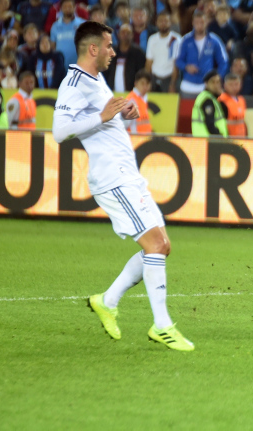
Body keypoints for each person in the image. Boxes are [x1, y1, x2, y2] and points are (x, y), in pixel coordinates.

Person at [53, 21, 193, 351]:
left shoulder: (95, 79)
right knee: (155, 244)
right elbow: (59, 131)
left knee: (162, 246)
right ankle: (162, 326)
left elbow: (102, 116)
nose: (113, 52)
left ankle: (107, 301)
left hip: (127, 175)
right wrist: (103, 116)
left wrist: (120, 113)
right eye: (109, 46)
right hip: (112, 178)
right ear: (93, 49)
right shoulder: (73, 82)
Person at [175, 10, 229, 99]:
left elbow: (223, 61)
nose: (199, 25)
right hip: (188, 85)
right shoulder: (185, 40)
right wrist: (186, 67)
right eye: (197, 22)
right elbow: (178, 60)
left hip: (207, 86)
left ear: (206, 22)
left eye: (202, 22)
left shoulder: (214, 40)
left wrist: (217, 78)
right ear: (193, 23)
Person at [145, 12, 181, 93]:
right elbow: (149, 62)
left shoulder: (175, 39)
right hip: (154, 77)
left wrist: (173, 83)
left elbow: (176, 64)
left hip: (169, 77)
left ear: (170, 23)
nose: (163, 23)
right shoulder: (152, 39)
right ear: (156, 23)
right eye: (161, 21)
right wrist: (147, 82)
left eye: (166, 21)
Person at [191, 69, 228, 137]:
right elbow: (210, 124)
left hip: (206, 140)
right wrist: (219, 137)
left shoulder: (213, 99)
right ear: (206, 84)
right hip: (209, 140)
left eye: (218, 82)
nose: (216, 85)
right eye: (213, 82)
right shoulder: (207, 100)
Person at [124, 70, 152, 134]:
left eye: (147, 84)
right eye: (142, 83)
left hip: (144, 138)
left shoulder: (143, 99)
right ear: (136, 83)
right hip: (135, 138)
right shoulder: (132, 101)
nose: (145, 87)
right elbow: (125, 124)